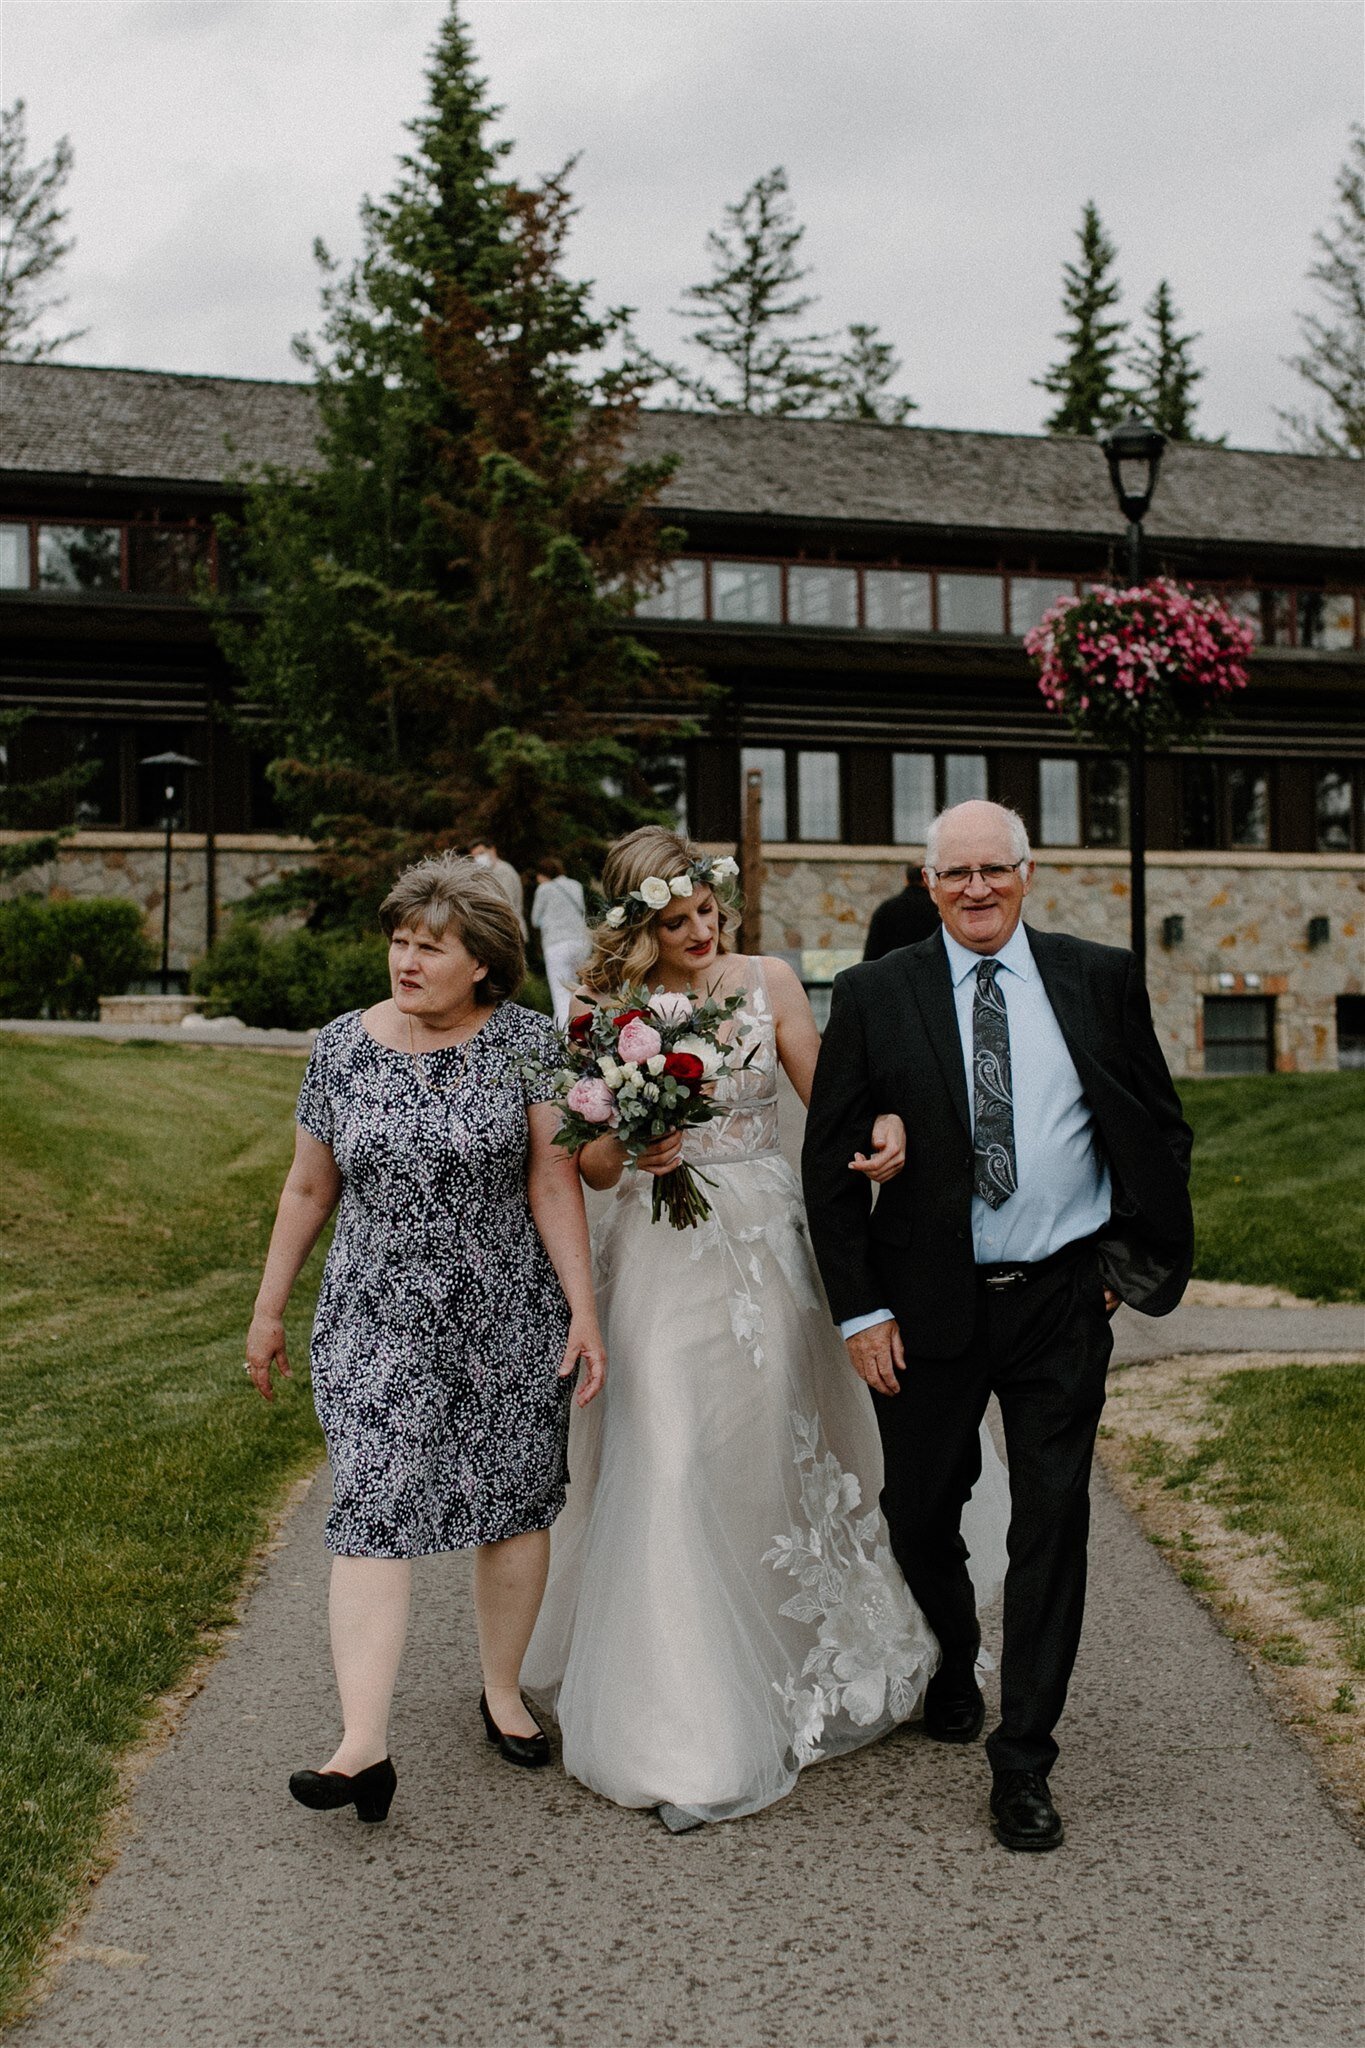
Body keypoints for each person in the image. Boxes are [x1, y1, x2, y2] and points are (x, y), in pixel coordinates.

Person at [521, 826, 1008, 1830]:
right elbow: (593, 1165)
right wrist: (638, 1146)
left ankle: (787, 1663)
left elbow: (831, 1100)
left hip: (766, 1249)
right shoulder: (601, 1014)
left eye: (707, 910)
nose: (701, 931)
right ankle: (684, 1725)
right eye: (675, 920)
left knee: (766, 1454)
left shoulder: (770, 982)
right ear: (634, 927)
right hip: (658, 1254)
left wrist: (885, 1129)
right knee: (667, 1457)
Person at [802, 800, 1193, 1853]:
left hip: (1063, 1297)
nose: (977, 888)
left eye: (995, 869)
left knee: (1051, 1520)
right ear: (927, 884)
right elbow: (827, 1167)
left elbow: (1157, 1125)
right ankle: (956, 1639)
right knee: (920, 1509)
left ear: (1029, 873)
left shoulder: (1096, 977)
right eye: (956, 872)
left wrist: (1119, 1259)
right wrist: (861, 1307)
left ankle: (1024, 1759)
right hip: (925, 1304)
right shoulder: (878, 994)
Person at [245, 854, 606, 1824]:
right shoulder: (341, 1047)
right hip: (373, 1316)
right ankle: (362, 1743)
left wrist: (582, 1306)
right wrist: (269, 1306)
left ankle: (500, 1690)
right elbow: (309, 1186)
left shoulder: (529, 1042)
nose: (406, 959)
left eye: (430, 946)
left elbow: (552, 1179)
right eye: (400, 940)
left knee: (513, 1501)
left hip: (506, 1310)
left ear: (485, 963)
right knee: (370, 1504)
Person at [530, 856, 591, 1029]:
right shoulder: (575, 885)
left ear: (542, 874)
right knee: (578, 988)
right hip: (581, 942)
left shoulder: (544, 889)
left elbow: (536, 919)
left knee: (560, 992)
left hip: (557, 944)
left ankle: (565, 1034)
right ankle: (585, 1026)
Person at [863, 864, 940, 960]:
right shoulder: (938, 909)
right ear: (927, 880)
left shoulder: (886, 909)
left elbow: (871, 953)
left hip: (890, 970)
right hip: (930, 970)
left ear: (906, 879)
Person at [469, 837, 528, 936]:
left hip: (510, 931)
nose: (478, 858)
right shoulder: (489, 873)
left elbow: (504, 903)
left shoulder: (503, 871)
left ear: (492, 850)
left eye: (481, 853)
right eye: (475, 856)